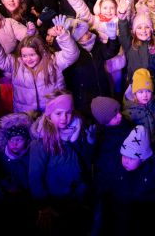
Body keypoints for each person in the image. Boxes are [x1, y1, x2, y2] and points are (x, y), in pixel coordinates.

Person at [28, 90, 93, 232]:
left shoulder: (76, 130)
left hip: (78, 193)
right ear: (49, 114)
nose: (64, 118)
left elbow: (84, 158)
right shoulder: (41, 142)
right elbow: (35, 176)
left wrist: (89, 142)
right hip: (55, 199)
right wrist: (43, 205)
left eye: (68, 112)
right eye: (58, 113)